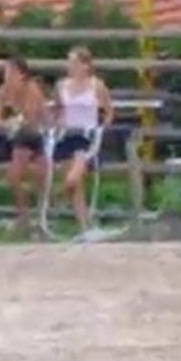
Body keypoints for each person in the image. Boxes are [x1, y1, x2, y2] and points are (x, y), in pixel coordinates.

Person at [52, 46, 114, 233]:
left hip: (86, 135)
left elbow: (109, 111)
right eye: (70, 62)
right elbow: (58, 110)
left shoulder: (97, 85)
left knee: (73, 178)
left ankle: (56, 198)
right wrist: (57, 123)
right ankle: (84, 226)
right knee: (76, 186)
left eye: (75, 62)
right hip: (67, 134)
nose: (71, 66)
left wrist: (102, 128)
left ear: (85, 66)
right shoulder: (61, 86)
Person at [0, 55, 48, 233]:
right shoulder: (4, 91)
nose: (6, 75)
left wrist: (14, 121)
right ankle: (23, 215)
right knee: (13, 177)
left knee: (41, 178)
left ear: (21, 74)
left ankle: (41, 216)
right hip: (20, 136)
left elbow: (32, 118)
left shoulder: (31, 89)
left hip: (39, 134)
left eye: (10, 72)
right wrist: (6, 123)